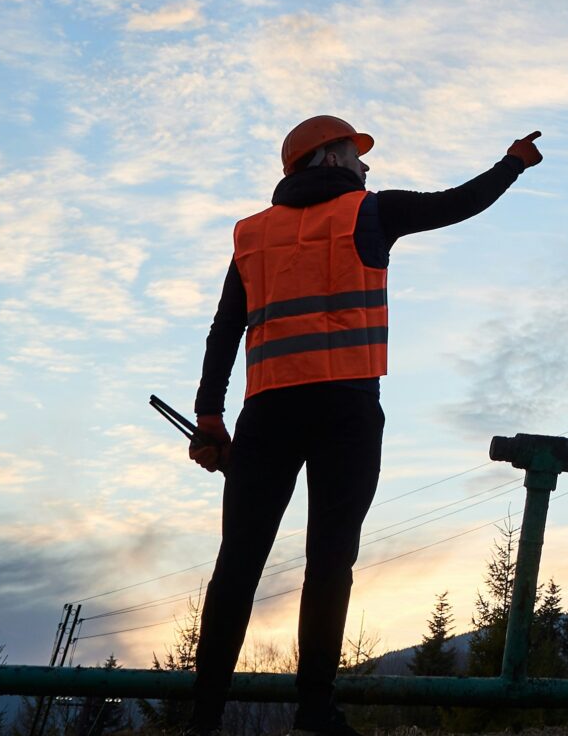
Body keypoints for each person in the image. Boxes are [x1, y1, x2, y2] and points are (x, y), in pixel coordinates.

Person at [185, 114, 545, 736]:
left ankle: (201, 720)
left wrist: (210, 418)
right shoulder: (371, 213)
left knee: (238, 563)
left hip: (267, 412)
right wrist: (512, 162)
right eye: (356, 154)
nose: (366, 165)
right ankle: (315, 714)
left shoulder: (252, 234)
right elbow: (459, 204)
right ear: (326, 158)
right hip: (346, 413)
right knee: (329, 561)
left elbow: (225, 329)